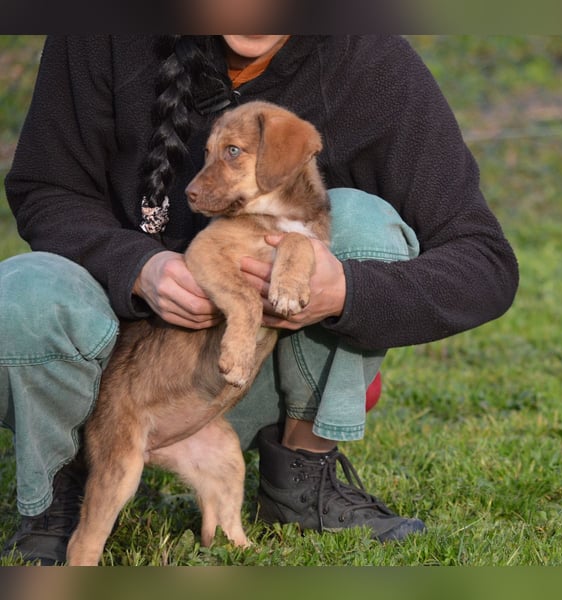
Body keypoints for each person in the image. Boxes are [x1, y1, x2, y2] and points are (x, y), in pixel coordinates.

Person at [0, 35, 519, 565]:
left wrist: (348, 293)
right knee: (24, 293)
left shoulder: (371, 59)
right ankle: (54, 496)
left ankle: (302, 474)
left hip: (245, 380)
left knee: (359, 223)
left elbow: (486, 262)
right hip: (109, 379)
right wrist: (136, 267)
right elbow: (45, 189)